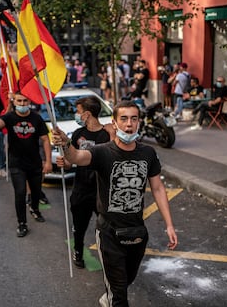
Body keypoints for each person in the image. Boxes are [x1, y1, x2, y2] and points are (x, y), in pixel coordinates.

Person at [52, 100, 178, 307]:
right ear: (114, 123)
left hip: (137, 231)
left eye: (134, 119)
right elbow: (75, 156)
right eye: (124, 119)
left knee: (126, 280)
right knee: (120, 296)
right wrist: (66, 144)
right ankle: (112, 298)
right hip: (109, 232)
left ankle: (110, 295)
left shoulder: (148, 153)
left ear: (139, 122)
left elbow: (157, 188)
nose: (129, 124)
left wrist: (169, 225)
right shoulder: (102, 152)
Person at [0, 92, 52, 237]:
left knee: (36, 192)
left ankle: (34, 209)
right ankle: (22, 223)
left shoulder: (37, 118)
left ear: (29, 101)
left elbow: (45, 140)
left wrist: (48, 161)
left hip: (35, 163)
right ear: (14, 101)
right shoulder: (10, 117)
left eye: (25, 101)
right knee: (20, 192)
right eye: (19, 101)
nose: (22, 104)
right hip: (17, 164)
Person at [56, 97, 111, 269]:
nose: (76, 115)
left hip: (100, 190)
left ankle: (111, 256)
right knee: (79, 227)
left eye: (78, 111)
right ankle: (78, 252)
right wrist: (63, 163)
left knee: (107, 227)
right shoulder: (78, 134)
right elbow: (70, 162)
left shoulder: (107, 135)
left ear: (87, 114)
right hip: (81, 190)